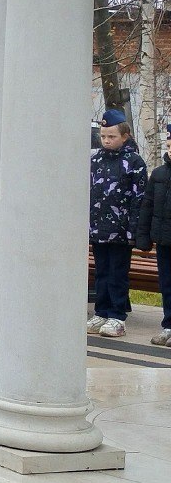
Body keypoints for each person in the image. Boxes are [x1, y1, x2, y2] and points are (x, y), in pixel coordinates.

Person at [87, 109, 146, 338]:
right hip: (98, 228)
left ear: (125, 136)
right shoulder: (96, 160)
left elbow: (138, 198)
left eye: (111, 136)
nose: (106, 140)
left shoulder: (134, 162)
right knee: (101, 272)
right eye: (103, 136)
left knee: (117, 273)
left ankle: (117, 316)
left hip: (121, 231)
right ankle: (101, 311)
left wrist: (134, 230)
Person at [136, 126, 171, 346]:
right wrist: (144, 237)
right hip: (164, 240)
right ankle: (168, 326)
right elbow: (147, 206)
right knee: (166, 284)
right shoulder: (158, 174)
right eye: (169, 146)